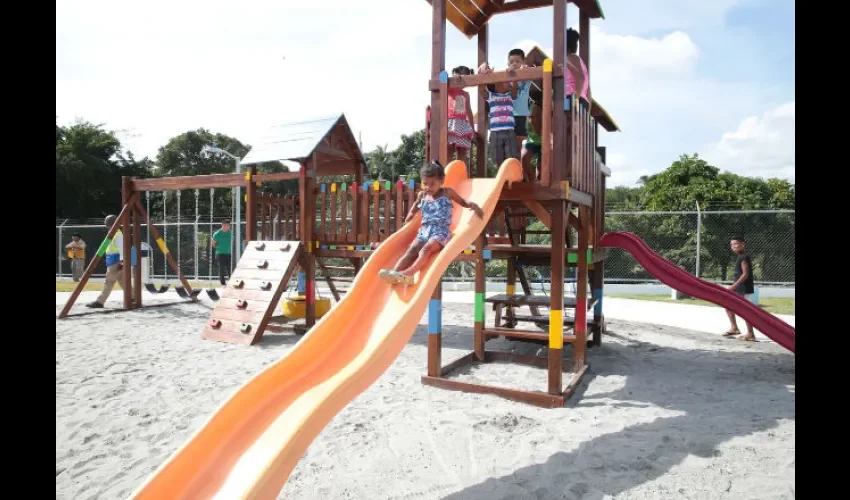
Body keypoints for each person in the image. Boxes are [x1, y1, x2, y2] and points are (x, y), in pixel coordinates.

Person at [379, 160, 483, 285]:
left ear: (441, 182)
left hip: (440, 232)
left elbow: (462, 202)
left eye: (432, 184)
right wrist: (411, 213)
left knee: (425, 250)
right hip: (424, 230)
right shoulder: (422, 195)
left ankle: (409, 274)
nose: (428, 187)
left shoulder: (447, 193)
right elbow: (417, 204)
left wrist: (472, 205)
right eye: (425, 183)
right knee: (411, 250)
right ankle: (395, 273)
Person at [477, 61, 519, 168]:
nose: (507, 83)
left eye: (507, 81)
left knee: (512, 157)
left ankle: (511, 179)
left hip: (509, 131)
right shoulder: (492, 96)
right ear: (496, 84)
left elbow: (515, 88)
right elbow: (481, 87)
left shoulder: (510, 95)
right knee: (497, 158)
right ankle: (501, 178)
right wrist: (482, 70)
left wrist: (513, 76)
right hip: (495, 133)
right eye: (503, 81)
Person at [86, 215, 126, 308]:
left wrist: (122, 262)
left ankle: (100, 301)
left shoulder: (117, 234)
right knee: (122, 281)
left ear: (112, 223)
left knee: (109, 281)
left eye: (107, 222)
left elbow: (122, 249)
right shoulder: (112, 233)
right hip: (113, 260)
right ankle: (132, 297)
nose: (105, 224)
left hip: (115, 261)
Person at [723, 236, 757, 341]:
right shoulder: (740, 257)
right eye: (732, 244)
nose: (733, 246)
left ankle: (750, 333)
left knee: (746, 311)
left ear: (743, 244)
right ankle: (734, 328)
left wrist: (733, 286)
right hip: (739, 289)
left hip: (744, 289)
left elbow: (745, 274)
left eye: (736, 244)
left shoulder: (744, 257)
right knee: (727, 305)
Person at [447, 65, 476, 168]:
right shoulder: (449, 89)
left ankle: (460, 170)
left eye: (465, 78)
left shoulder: (465, 94)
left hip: (462, 123)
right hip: (451, 123)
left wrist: (473, 129)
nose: (461, 80)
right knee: (449, 148)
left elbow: (469, 112)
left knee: (462, 149)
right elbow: (443, 79)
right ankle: (446, 170)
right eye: (460, 77)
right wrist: (454, 78)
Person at [507, 48, 533, 155]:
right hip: (509, 115)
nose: (514, 64)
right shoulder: (507, 77)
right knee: (509, 145)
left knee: (519, 144)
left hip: (522, 114)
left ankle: (518, 168)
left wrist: (525, 68)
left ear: (523, 62)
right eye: (511, 62)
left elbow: (529, 71)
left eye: (518, 61)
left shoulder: (526, 74)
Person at [565, 28, 591, 106]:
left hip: (572, 98)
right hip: (582, 100)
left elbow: (581, 78)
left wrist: (575, 98)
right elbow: (588, 90)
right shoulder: (579, 61)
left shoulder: (570, 58)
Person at [211, 219, 233, 286]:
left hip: (228, 253)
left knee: (229, 268)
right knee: (222, 268)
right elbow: (213, 244)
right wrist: (219, 249)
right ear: (222, 225)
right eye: (225, 225)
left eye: (228, 225)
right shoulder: (217, 234)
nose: (227, 226)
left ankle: (232, 281)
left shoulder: (230, 232)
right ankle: (223, 283)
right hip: (220, 254)